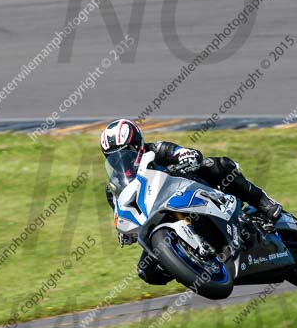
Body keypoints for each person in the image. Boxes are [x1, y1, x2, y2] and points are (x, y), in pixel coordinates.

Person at [100, 118, 282, 285]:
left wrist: (186, 157)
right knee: (147, 271)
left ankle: (263, 202)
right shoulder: (115, 187)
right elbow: (122, 212)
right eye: (113, 157)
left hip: (194, 192)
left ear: (137, 145)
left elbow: (183, 152)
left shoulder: (157, 150)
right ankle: (190, 263)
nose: (120, 160)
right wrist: (125, 232)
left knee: (216, 166)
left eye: (125, 153)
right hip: (159, 217)